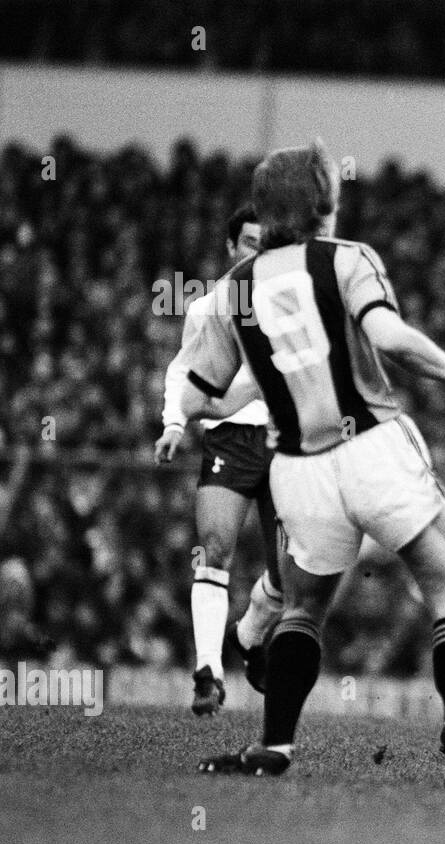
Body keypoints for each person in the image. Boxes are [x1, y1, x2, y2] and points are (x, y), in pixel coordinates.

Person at [180, 140, 445, 791]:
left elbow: (201, 388)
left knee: (303, 609)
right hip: (373, 446)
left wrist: (176, 415)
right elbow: (390, 339)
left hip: (297, 467)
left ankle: (273, 745)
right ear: (324, 202)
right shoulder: (348, 259)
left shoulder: (232, 289)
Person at [155, 203, 285, 715]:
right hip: (229, 439)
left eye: (268, 243)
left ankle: (250, 635)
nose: (259, 251)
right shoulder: (208, 307)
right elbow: (183, 372)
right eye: (250, 242)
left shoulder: (289, 307)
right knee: (215, 547)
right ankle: (208, 672)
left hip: (284, 441)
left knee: (295, 571)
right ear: (232, 247)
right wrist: (173, 424)